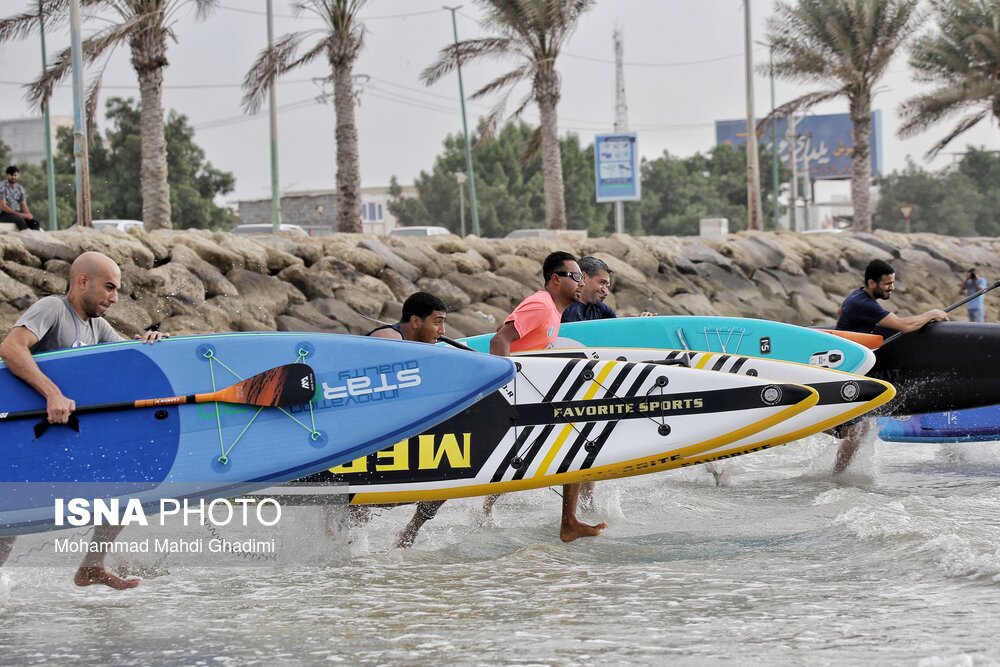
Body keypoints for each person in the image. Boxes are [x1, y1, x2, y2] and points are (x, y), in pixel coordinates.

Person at [0, 251, 167, 589]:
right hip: (28, 434)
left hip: (68, 436)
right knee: (10, 523)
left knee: (124, 488)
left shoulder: (97, 327)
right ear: (82, 281)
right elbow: (12, 348)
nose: (114, 298)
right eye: (108, 287)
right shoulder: (53, 309)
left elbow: (124, 362)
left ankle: (91, 567)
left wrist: (149, 344)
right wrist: (51, 393)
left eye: (116, 290)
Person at [484, 251, 607, 542]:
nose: (581, 282)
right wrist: (505, 390)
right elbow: (498, 339)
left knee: (572, 443)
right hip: (512, 397)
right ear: (555, 279)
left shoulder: (554, 310)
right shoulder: (540, 304)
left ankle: (568, 522)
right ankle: (568, 522)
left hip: (525, 398)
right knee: (577, 439)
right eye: (576, 277)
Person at [832, 259, 949, 474]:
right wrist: (931, 314)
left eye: (892, 282)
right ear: (872, 283)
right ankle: (836, 476)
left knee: (862, 428)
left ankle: (838, 470)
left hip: (850, 368)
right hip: (847, 371)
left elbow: (841, 311)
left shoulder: (856, 296)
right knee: (855, 431)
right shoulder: (864, 304)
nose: (892, 288)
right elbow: (904, 326)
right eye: (887, 284)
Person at [364, 292, 450, 549]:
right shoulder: (388, 338)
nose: (442, 330)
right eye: (437, 322)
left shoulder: (420, 347)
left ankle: (408, 533)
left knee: (448, 479)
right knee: (358, 508)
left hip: (395, 429)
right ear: (415, 321)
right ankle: (345, 552)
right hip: (364, 433)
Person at [0, 165, 40, 231]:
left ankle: (37, 238)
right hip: (5, 215)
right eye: (11, 175)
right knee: (20, 220)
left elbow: (23, 204)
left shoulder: (20, 188)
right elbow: (2, 206)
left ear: (18, 175)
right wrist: (19, 214)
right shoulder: (2, 186)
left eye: (15, 175)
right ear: (7, 175)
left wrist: (27, 214)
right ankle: (25, 236)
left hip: (18, 213)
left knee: (35, 222)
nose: (13, 177)